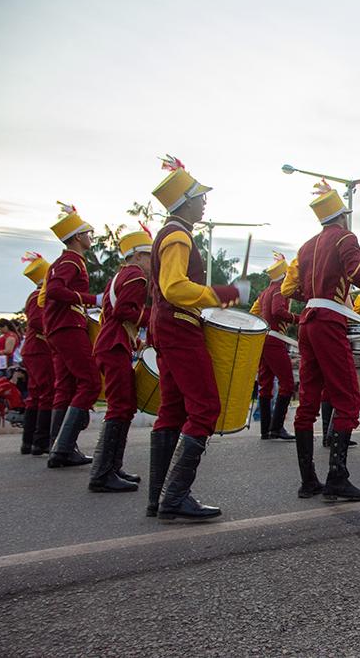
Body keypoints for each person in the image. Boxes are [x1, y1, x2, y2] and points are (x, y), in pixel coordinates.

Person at [147, 155, 241, 521]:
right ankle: (175, 496)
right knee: (204, 407)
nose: (204, 202)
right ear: (184, 202)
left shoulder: (169, 232)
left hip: (165, 326)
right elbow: (174, 287)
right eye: (199, 197)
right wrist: (220, 294)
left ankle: (159, 496)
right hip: (180, 326)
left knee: (171, 409)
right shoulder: (179, 235)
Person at [281, 180, 360, 500]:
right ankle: (337, 476)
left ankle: (309, 480)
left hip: (308, 322)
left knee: (309, 400)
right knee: (348, 398)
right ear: (341, 217)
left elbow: (291, 289)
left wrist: (315, 296)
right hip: (328, 322)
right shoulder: (345, 237)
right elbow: (355, 269)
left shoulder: (306, 246)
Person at [88, 229, 152, 492]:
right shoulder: (136, 275)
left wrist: (134, 338)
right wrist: (153, 319)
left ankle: (112, 467)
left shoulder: (122, 274)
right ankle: (102, 474)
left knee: (124, 406)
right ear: (136, 256)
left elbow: (115, 312)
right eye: (148, 256)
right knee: (120, 406)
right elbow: (123, 310)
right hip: (113, 345)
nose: (152, 262)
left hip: (114, 342)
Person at [40, 202, 100, 468]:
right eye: (88, 232)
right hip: (68, 326)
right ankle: (63, 446)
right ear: (77, 237)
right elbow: (54, 290)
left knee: (65, 386)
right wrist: (91, 298)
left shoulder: (63, 260)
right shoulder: (72, 260)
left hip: (58, 327)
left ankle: (59, 447)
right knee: (90, 382)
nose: (90, 237)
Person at [250, 252, 298, 441]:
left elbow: (254, 312)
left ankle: (266, 430)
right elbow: (277, 310)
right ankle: (276, 427)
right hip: (275, 340)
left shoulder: (264, 293)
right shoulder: (279, 290)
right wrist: (298, 319)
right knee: (287, 383)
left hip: (264, 339)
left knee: (266, 385)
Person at [18, 253, 54, 455]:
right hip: (39, 349)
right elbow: (36, 321)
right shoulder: (38, 296)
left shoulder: (37, 295)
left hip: (36, 349)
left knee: (36, 394)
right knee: (46, 392)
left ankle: (29, 441)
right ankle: (40, 441)